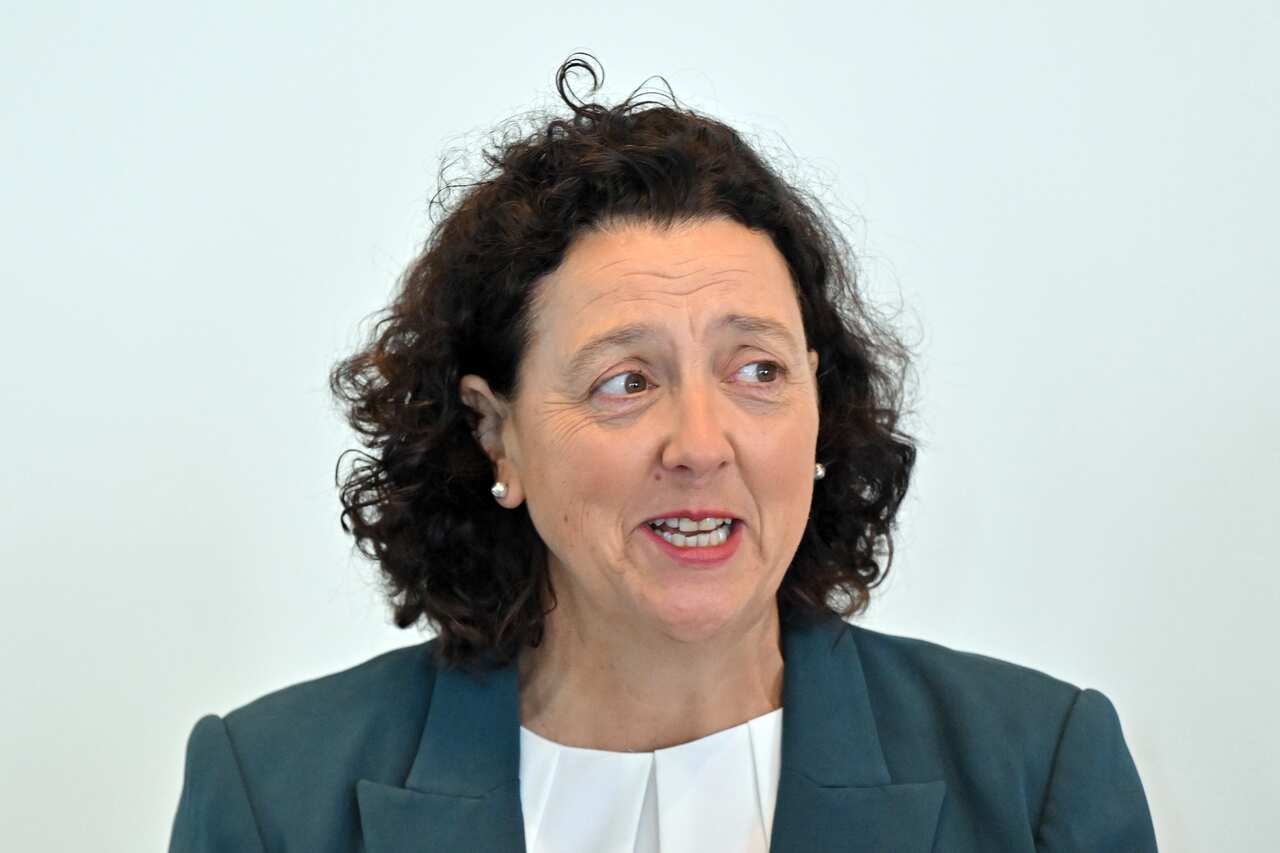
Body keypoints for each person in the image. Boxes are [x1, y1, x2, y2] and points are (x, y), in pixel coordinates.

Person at [167, 54, 1158, 852]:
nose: (699, 444)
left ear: (819, 406)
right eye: (625, 381)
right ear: (494, 430)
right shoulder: (275, 799)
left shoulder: (1035, 775)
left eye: (756, 370)